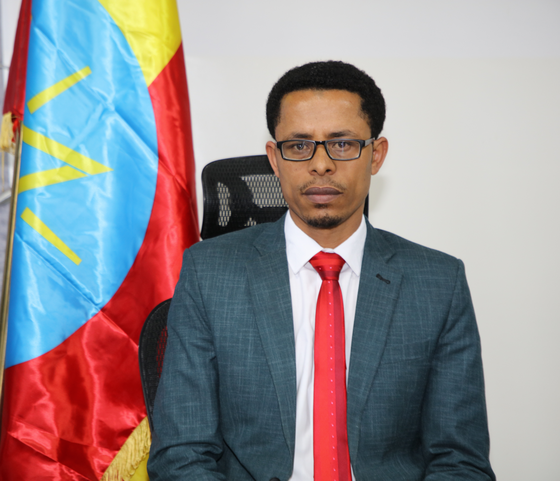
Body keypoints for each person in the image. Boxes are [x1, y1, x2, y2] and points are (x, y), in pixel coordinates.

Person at [148, 61, 495, 481]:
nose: (321, 164)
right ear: (274, 159)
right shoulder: (209, 275)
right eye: (298, 146)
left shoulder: (438, 283)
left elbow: (460, 461)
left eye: (342, 144)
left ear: (376, 155)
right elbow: (182, 455)